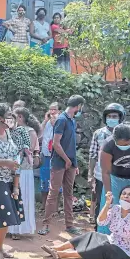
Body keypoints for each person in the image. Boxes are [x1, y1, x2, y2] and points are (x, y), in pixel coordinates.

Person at [41, 187, 130, 259]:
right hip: (115, 241)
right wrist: (107, 204)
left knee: (104, 248)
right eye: (124, 194)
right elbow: (101, 222)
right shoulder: (116, 209)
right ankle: (56, 248)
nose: (126, 196)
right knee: (92, 235)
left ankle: (62, 254)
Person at [39, 95, 86, 236]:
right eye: (81, 107)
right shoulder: (61, 120)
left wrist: (74, 163)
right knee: (53, 193)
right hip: (60, 163)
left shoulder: (71, 120)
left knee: (68, 194)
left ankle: (69, 225)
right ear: (78, 106)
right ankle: (46, 224)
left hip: (70, 163)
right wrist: (66, 160)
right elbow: (56, 143)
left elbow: (72, 144)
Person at [0, 103, 24, 259]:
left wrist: (16, 185)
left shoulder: (9, 135)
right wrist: (4, 162)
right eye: (8, 114)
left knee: (4, 215)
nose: (11, 117)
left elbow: (16, 160)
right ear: (0, 118)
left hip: (9, 181)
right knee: (2, 215)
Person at [98, 122, 130, 234]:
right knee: (113, 208)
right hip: (115, 179)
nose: (124, 147)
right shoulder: (108, 145)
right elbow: (105, 172)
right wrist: (109, 193)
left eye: (127, 144)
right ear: (114, 140)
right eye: (121, 145)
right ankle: (108, 238)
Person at [88, 103, 126, 227]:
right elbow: (93, 155)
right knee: (101, 201)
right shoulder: (98, 134)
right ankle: (99, 228)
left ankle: (117, 228)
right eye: (109, 116)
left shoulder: (125, 133)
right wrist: (90, 174)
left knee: (120, 202)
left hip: (120, 175)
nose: (112, 118)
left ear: (120, 118)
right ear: (105, 118)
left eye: (115, 116)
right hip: (100, 175)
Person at [8, 107, 40, 240]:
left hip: (24, 170)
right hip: (12, 169)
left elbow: (29, 150)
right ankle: (10, 227)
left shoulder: (30, 132)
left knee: (22, 197)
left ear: (20, 117)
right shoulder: (11, 130)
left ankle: (19, 228)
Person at [39, 102, 61, 210]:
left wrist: (53, 122)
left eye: (54, 110)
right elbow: (39, 134)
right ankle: (44, 206)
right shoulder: (46, 122)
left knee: (56, 182)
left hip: (56, 156)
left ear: (59, 111)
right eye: (50, 109)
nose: (52, 112)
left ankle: (55, 207)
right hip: (45, 156)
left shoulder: (61, 121)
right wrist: (45, 121)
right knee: (44, 181)